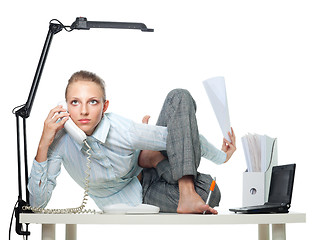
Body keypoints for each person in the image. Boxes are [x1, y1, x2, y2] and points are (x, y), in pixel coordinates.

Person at [28, 70, 236, 214]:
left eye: (92, 102)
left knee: (179, 96)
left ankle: (178, 184)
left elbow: (182, 134)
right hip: (141, 195)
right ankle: (153, 159)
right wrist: (44, 143)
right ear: (65, 106)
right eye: (75, 102)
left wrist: (221, 157)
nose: (83, 111)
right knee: (211, 190)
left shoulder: (123, 130)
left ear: (104, 105)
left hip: (151, 174)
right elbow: (38, 204)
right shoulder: (60, 143)